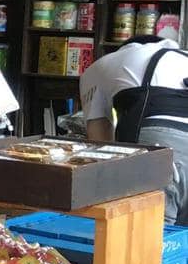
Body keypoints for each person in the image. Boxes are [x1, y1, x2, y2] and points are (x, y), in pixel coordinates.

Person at [80, 34, 188, 223]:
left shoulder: (102, 65)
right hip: (173, 141)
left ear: (124, 48)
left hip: (163, 143)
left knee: (148, 234)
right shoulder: (182, 56)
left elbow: (99, 140)